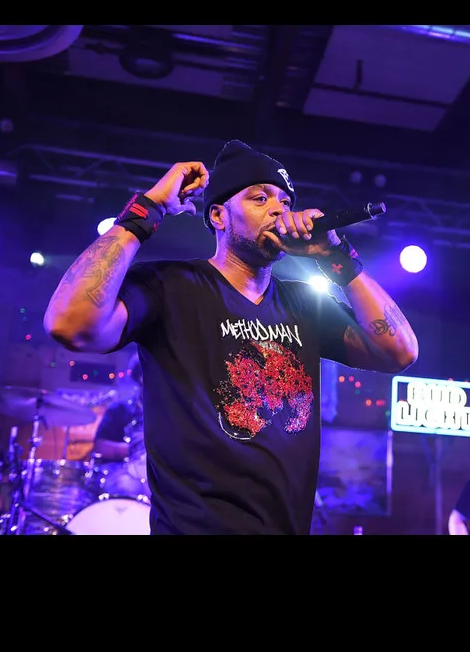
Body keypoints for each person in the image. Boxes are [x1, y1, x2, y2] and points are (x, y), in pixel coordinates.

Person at [43, 139, 419, 535]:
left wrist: (335, 256)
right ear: (219, 216)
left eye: (285, 202)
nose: (278, 209)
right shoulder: (170, 285)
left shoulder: (304, 304)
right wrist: (146, 210)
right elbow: (68, 324)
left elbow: (400, 352)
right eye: (260, 198)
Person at [90, 349, 150, 500]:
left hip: (157, 474)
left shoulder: (170, 413)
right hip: (121, 471)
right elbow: (100, 446)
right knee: (125, 485)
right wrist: (136, 450)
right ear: (140, 377)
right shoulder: (120, 409)